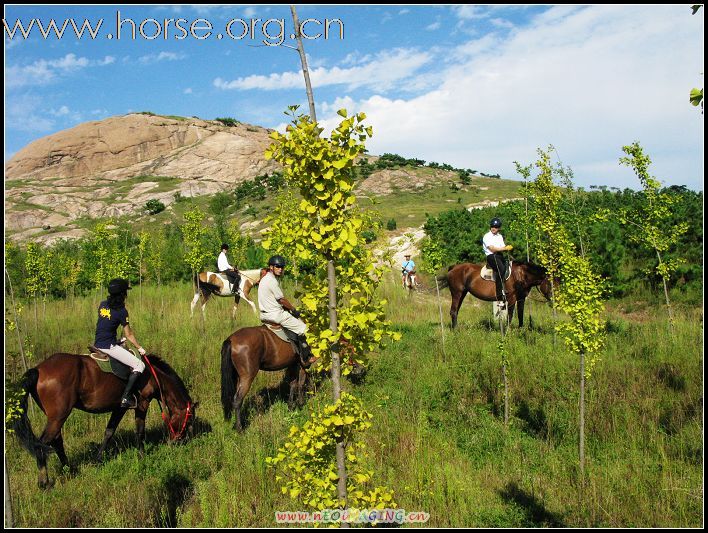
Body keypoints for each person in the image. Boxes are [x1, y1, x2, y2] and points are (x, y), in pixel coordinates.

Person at [94, 278, 147, 409]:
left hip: (98, 342)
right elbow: (129, 335)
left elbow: (105, 326)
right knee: (139, 365)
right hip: (108, 347)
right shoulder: (122, 311)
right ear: (123, 294)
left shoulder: (102, 305)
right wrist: (140, 348)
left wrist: (118, 340)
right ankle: (126, 397)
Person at [259, 255, 316, 367]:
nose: (280, 269)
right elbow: (281, 300)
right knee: (304, 329)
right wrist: (294, 310)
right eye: (277, 266)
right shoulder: (272, 281)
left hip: (264, 315)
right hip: (276, 315)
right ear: (271, 267)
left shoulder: (264, 279)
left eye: (282, 267)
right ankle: (306, 359)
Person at [482, 217, 513, 306]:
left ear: (499, 228)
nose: (493, 228)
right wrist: (504, 248)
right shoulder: (487, 236)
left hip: (499, 255)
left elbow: (502, 247)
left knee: (510, 267)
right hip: (491, 256)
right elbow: (492, 249)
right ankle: (499, 294)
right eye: (492, 226)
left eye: (496, 227)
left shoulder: (499, 236)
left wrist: (507, 248)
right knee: (501, 269)